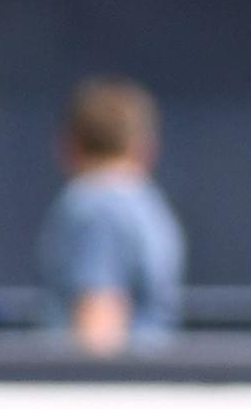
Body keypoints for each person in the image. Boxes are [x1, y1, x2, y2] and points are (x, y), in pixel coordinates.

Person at [35, 77, 183, 353]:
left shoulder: (97, 206)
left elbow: (98, 327)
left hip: (103, 390)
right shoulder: (146, 203)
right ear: (146, 148)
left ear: (70, 145)